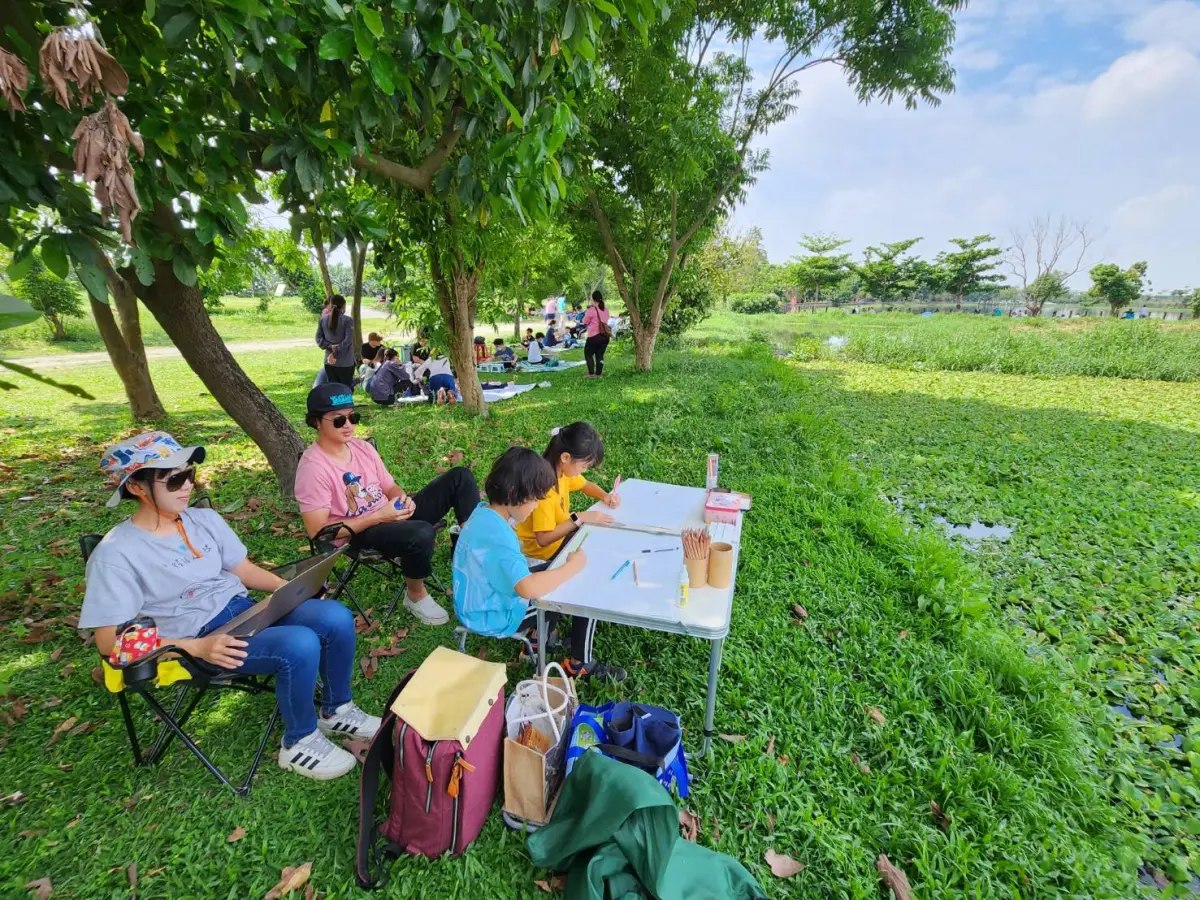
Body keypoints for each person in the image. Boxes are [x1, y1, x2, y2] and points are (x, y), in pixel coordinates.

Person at [81, 431, 380, 781]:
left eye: (189, 474)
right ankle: (299, 743)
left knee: (335, 616)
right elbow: (109, 642)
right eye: (174, 479)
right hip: (198, 642)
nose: (187, 486)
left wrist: (293, 589)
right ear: (137, 488)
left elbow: (244, 571)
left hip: (244, 611)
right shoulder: (116, 554)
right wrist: (196, 648)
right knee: (299, 644)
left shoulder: (202, 520)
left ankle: (337, 708)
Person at [295, 384, 480, 625]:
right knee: (421, 533)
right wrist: (379, 516)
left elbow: (389, 487)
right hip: (359, 532)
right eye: (339, 420)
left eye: (353, 417)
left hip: (390, 513)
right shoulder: (313, 468)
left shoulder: (362, 448)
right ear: (317, 422)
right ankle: (415, 595)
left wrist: (403, 499)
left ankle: (477, 553)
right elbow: (318, 532)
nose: (349, 425)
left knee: (460, 477)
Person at [453, 447, 626, 682]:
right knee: (583, 591)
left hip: (478, 600)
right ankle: (580, 664)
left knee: (557, 572)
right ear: (514, 492)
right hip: (494, 614)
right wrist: (571, 568)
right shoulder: (499, 539)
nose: (535, 506)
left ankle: (539, 638)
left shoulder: (483, 513)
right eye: (534, 499)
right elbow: (528, 588)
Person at [316, 294, 355, 387]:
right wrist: (335, 353)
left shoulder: (323, 320)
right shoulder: (348, 320)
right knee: (345, 390)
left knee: (333, 390)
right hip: (345, 363)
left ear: (330, 304)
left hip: (329, 362)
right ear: (343, 305)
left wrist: (330, 347)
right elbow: (348, 340)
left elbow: (318, 339)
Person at [582, 290, 612, 378]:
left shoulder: (591, 310)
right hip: (605, 336)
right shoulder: (605, 310)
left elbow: (585, 321)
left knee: (588, 354)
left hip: (594, 336)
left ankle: (591, 374)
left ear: (593, 299)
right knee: (600, 355)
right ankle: (598, 374)